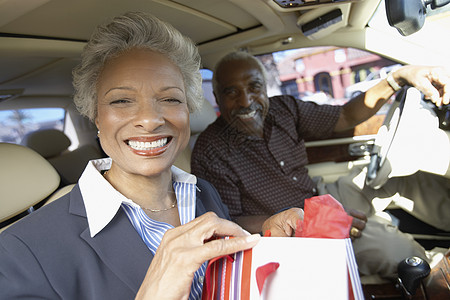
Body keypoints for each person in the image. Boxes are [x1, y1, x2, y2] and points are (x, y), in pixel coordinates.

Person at [0, 13, 303, 299]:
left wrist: (266, 234)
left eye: (170, 98)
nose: (150, 119)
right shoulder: (21, 251)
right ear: (95, 117)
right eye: (121, 101)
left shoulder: (203, 192)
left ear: (188, 110)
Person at [191, 51, 450, 278]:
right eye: (231, 91)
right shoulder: (210, 151)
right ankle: (433, 273)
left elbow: (345, 115)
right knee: (399, 252)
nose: (246, 100)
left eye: (253, 87)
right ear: (216, 96)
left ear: (265, 88)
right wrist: (317, 219)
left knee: (398, 175)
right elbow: (229, 220)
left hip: (320, 197)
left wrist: (399, 78)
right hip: (293, 232)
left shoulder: (283, 110)